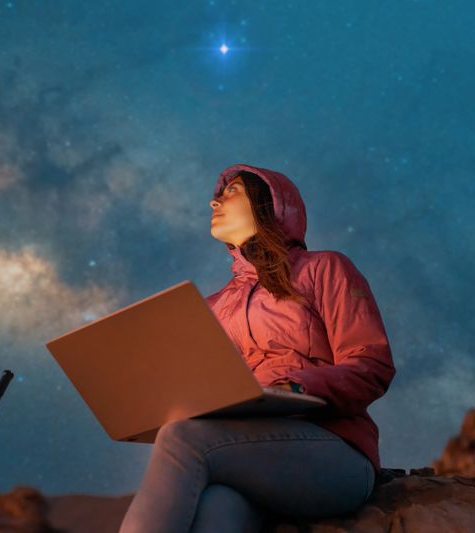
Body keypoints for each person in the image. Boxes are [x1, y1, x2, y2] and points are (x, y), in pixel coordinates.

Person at [118, 163, 397, 533]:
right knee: (217, 507)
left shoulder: (324, 269)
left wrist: (296, 387)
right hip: (243, 452)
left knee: (182, 437)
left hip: (333, 451)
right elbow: (206, 386)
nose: (213, 201)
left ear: (270, 205)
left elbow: (371, 364)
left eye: (231, 191)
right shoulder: (213, 306)